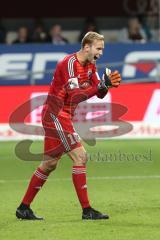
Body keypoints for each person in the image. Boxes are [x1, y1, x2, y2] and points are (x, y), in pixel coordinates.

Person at [16, 31, 121, 220]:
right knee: (80, 156)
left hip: (63, 115)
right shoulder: (68, 64)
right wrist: (99, 87)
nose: (101, 53)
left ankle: (23, 208)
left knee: (49, 164)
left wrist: (105, 85)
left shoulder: (91, 64)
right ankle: (87, 210)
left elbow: (100, 93)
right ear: (87, 47)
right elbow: (74, 96)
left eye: (102, 49)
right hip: (55, 114)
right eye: (99, 48)